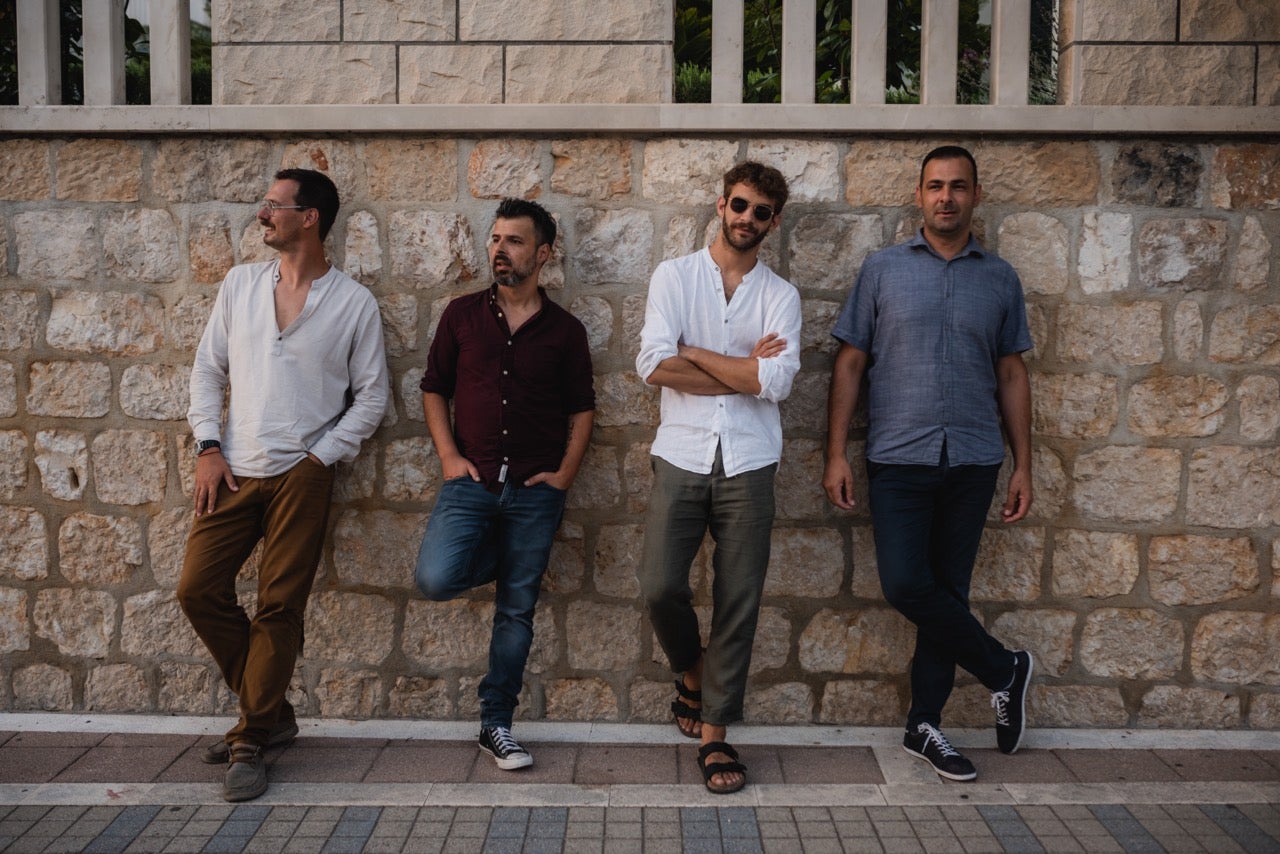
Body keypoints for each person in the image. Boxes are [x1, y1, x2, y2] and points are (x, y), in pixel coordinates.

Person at [177, 168, 390, 802]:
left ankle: (249, 741)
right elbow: (207, 370)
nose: (263, 214)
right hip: (233, 468)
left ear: (310, 217)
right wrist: (208, 446)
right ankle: (272, 714)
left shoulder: (353, 303)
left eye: (274, 205)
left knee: (279, 607)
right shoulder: (240, 284)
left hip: (304, 474)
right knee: (197, 589)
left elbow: (372, 397)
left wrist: (320, 458)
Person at [823, 145, 1034, 782]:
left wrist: (1023, 465)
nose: (947, 197)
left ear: (976, 195)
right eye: (936, 186)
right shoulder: (882, 270)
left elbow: (1011, 373)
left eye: (958, 186)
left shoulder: (1000, 278)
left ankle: (924, 726)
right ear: (919, 195)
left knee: (948, 594)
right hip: (898, 457)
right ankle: (1004, 669)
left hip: (973, 458)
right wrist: (835, 452)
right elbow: (850, 363)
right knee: (906, 585)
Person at [635, 162, 801, 794]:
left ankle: (715, 734)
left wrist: (696, 352)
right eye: (739, 205)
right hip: (681, 452)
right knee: (658, 585)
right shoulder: (674, 277)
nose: (747, 218)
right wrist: (740, 369)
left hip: (750, 462)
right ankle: (692, 672)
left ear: (773, 223)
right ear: (721, 204)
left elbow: (774, 382)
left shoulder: (780, 296)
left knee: (739, 599)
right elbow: (654, 364)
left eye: (761, 212)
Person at [414, 198, 595, 771]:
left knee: (516, 611)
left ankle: (496, 724)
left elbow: (582, 408)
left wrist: (564, 475)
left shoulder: (565, 331)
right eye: (495, 238)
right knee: (436, 578)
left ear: (542, 254)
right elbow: (434, 387)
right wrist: (448, 456)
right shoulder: (461, 316)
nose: (500, 249)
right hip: (471, 483)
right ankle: (509, 559)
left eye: (514, 241)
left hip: (536, 494)